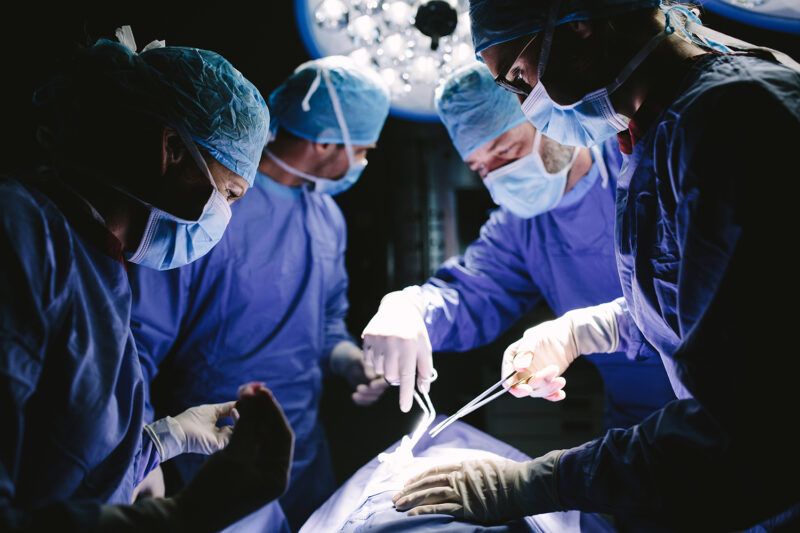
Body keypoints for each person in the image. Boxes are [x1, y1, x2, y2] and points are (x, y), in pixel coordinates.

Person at [393, 1, 800, 530]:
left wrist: (537, 483)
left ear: (577, 24)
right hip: (681, 457)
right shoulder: (654, 135)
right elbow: (718, 304)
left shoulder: (737, 115)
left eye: (518, 75)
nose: (527, 101)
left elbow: (749, 424)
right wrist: (586, 330)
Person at [0, 29, 294, 532]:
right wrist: (182, 516)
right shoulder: (22, 237)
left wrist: (165, 440)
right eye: (230, 192)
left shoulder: (100, 265)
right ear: (172, 148)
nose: (226, 215)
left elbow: (71, 463)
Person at [128, 55, 392, 531]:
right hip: (217, 447)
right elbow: (138, 342)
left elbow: (327, 322)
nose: (364, 162)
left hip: (307, 450)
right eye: (364, 149)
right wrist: (144, 451)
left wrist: (349, 359)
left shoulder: (327, 217)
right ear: (327, 140)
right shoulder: (206, 210)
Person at [362, 62, 675, 431]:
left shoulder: (646, 166)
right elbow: (469, 295)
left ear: (552, 118)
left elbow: (699, 290)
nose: (498, 175)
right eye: (480, 168)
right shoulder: (521, 225)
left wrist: (582, 333)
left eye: (506, 150)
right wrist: (410, 308)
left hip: (726, 393)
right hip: (637, 422)